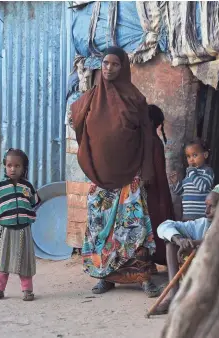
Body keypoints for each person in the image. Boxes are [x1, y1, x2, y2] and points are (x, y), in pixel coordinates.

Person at [70, 46, 160, 297]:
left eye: (115, 64)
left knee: (135, 229)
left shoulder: (136, 99)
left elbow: (146, 137)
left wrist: (146, 170)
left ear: (124, 68)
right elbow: (79, 128)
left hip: (130, 176)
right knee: (100, 229)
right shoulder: (89, 98)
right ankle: (105, 277)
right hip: (99, 178)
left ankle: (143, 278)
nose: (109, 68)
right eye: (105, 63)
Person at [152, 184, 219, 314]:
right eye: (205, 206)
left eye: (211, 206)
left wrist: (193, 244)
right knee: (171, 243)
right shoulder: (202, 223)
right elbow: (164, 226)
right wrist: (179, 239)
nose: (206, 211)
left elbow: (216, 241)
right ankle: (174, 294)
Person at [0, 148, 41, 302]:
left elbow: (35, 202)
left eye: (17, 166)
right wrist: (0, 210)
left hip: (24, 229)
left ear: (24, 168)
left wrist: (27, 211)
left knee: (25, 261)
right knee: (4, 259)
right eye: (9, 165)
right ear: (5, 167)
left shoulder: (28, 187)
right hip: (7, 229)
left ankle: (27, 290)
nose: (13, 169)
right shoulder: (0, 187)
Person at [146, 104, 176, 266]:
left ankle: (154, 259)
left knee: (153, 223)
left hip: (153, 190)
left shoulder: (151, 142)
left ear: (150, 122)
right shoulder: (154, 141)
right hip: (158, 189)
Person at [169, 138, 215, 221]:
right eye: (188, 156)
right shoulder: (189, 174)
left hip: (202, 218)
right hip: (187, 217)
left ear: (205, 155)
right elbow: (180, 192)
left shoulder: (207, 171)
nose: (191, 159)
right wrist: (175, 183)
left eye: (194, 155)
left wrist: (192, 173)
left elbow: (203, 187)